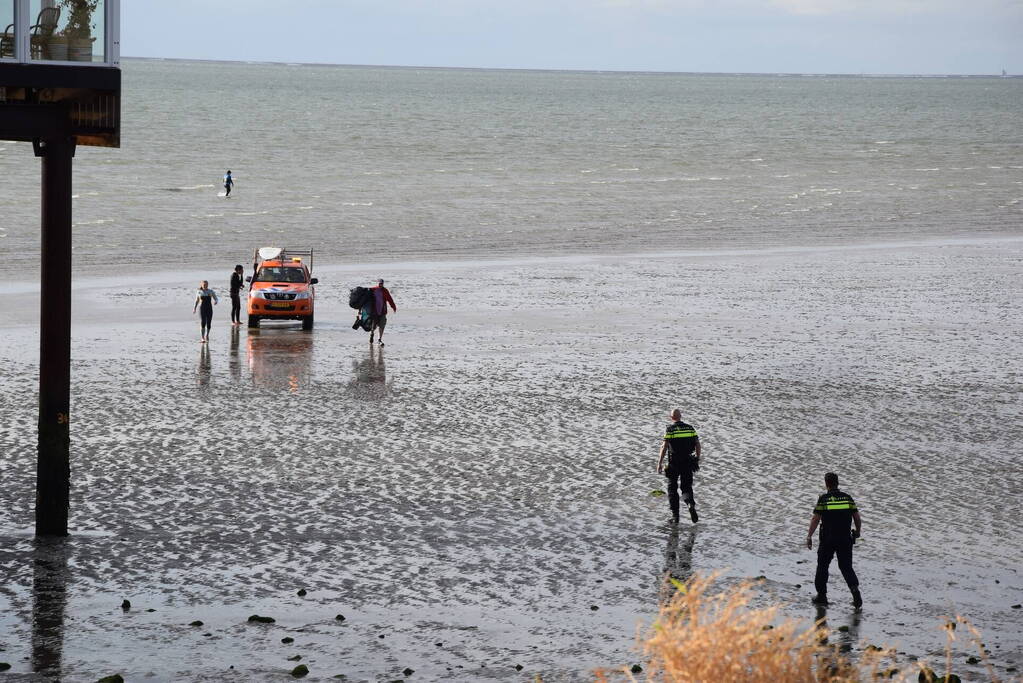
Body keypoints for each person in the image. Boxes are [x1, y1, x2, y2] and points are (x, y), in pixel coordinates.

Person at [806, 472, 863, 608]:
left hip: (828, 539)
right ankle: (854, 590)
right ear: (838, 482)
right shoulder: (847, 498)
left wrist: (809, 536)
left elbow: (815, 519)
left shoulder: (824, 499)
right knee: (846, 567)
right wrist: (858, 532)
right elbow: (857, 517)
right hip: (845, 539)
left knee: (823, 566)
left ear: (826, 484)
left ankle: (821, 596)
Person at [656, 409, 702, 523]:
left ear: (671, 418)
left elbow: (664, 446)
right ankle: (690, 504)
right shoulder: (690, 428)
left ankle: (675, 516)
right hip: (688, 462)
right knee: (686, 487)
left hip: (674, 463)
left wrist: (660, 463)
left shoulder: (670, 429)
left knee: (672, 488)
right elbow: (698, 444)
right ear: (681, 416)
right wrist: (697, 458)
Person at [368, 279, 397, 346]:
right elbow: (365, 298)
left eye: (381, 283)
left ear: (383, 284)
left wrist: (393, 306)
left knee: (382, 325)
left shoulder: (385, 291)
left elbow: (390, 299)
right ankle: (372, 333)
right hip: (374, 311)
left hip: (382, 311)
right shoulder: (373, 290)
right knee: (374, 326)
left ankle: (379, 339)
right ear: (377, 283)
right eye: (379, 283)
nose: (380, 284)